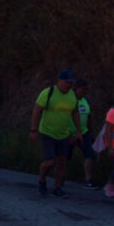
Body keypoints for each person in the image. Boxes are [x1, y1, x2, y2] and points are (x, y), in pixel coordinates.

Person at [30, 69, 82, 199]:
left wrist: (79, 132)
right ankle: (42, 180)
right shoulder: (48, 93)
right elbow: (37, 111)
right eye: (66, 82)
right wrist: (33, 130)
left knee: (62, 161)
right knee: (49, 161)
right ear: (59, 81)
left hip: (63, 133)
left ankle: (57, 187)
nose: (68, 85)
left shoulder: (73, 95)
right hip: (47, 132)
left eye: (70, 82)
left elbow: (75, 113)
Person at [69, 80, 98, 189]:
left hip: (84, 132)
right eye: (83, 89)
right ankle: (60, 178)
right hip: (70, 133)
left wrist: (91, 132)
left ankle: (88, 180)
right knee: (64, 157)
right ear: (76, 88)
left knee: (89, 154)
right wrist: (68, 134)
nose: (85, 91)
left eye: (87, 89)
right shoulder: (70, 100)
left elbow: (89, 117)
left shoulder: (85, 100)